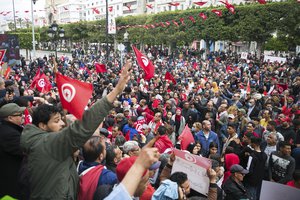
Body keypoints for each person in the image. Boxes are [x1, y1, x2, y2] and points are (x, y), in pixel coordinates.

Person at [20, 60, 132, 199]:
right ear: (42, 126)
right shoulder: (48, 143)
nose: (62, 123)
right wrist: (115, 92)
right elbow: (82, 127)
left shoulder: (38, 140)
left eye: (61, 118)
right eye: (56, 121)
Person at [77, 136, 118, 200]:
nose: (106, 150)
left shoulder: (77, 166)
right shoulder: (108, 176)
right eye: (104, 149)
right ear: (101, 156)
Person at [0, 103, 26, 199]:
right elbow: (26, 151)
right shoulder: (10, 134)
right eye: (19, 115)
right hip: (10, 185)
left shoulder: (8, 130)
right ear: (10, 118)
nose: (22, 116)